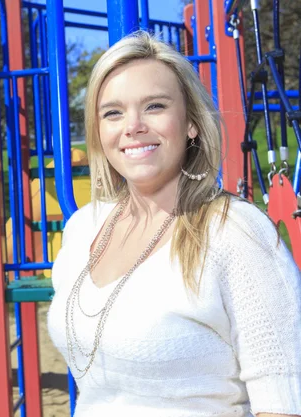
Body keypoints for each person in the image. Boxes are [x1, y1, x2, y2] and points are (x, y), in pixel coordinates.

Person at [47, 31, 301, 417]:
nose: (132, 126)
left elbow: (285, 398)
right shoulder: (83, 228)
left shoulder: (235, 232)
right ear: (99, 131)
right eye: (112, 112)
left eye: (154, 106)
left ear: (191, 124)